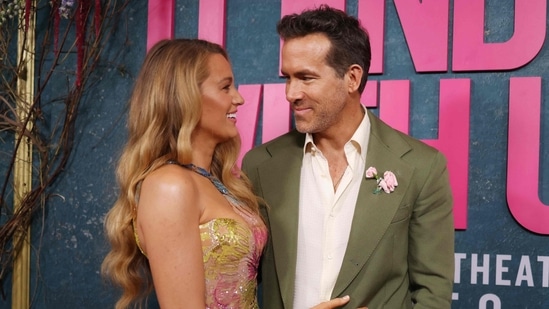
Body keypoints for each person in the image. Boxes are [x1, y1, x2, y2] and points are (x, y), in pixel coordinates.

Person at [242, 5, 455, 309]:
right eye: (287, 77)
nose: (291, 93)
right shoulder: (261, 164)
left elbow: (433, 294)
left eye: (306, 77)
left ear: (352, 78)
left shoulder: (421, 166)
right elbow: (241, 281)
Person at [100, 38, 269, 308]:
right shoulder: (169, 185)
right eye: (225, 87)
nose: (239, 98)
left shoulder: (216, 181)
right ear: (186, 96)